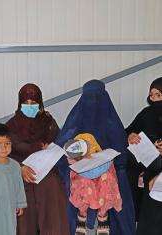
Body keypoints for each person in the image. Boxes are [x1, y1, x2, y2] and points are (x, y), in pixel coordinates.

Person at [56, 80, 135, 235]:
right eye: (89, 98)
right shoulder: (76, 120)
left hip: (108, 173)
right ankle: (83, 216)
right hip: (80, 173)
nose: (93, 103)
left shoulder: (111, 121)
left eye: (97, 98)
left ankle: (103, 216)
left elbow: (121, 149)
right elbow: (64, 146)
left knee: (110, 180)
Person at [6, 83, 70, 235]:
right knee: (22, 194)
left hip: (46, 171)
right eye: (26, 103)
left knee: (52, 186)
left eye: (33, 103)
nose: (30, 106)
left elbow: (59, 145)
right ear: (19, 104)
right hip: (20, 172)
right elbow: (3, 154)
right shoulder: (11, 125)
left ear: (40, 104)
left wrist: (52, 148)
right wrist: (19, 168)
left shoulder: (48, 123)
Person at [126, 77, 162, 235]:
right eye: (151, 95)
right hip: (146, 161)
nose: (153, 99)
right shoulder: (146, 113)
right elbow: (128, 130)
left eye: (158, 95)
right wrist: (131, 136)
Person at [67, 133, 122, 234]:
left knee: (107, 178)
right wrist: (78, 160)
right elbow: (71, 158)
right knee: (84, 181)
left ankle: (102, 216)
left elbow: (102, 156)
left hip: (100, 170)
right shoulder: (78, 141)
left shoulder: (92, 142)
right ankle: (82, 216)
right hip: (82, 172)